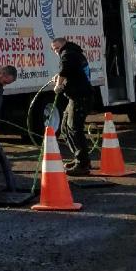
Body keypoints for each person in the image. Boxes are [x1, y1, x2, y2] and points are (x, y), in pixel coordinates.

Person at [51, 37, 92, 174]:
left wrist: (58, 85)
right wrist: (59, 78)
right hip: (74, 97)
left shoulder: (68, 53)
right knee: (64, 128)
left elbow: (65, 68)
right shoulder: (72, 53)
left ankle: (83, 164)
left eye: (57, 48)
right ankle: (78, 158)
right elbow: (69, 71)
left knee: (74, 128)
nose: (56, 51)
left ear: (62, 45)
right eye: (54, 49)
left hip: (80, 96)